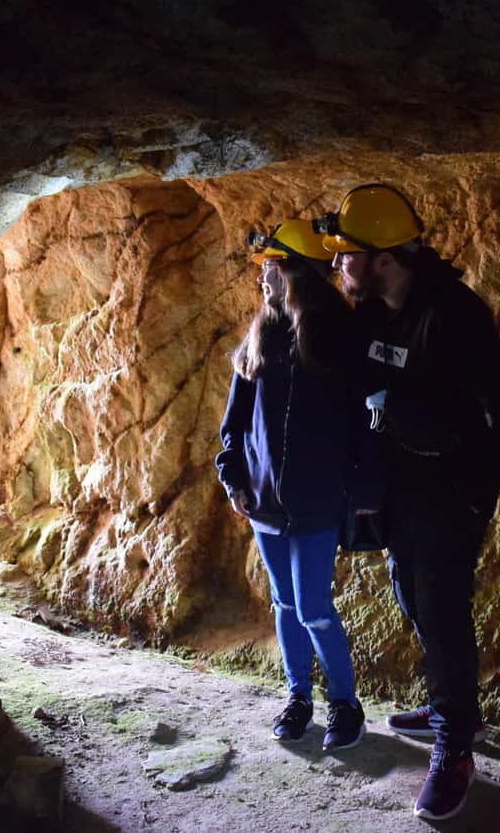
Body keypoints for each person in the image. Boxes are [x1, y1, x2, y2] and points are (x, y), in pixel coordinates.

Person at [314, 184, 500, 820]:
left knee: (441, 608)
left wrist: (473, 495)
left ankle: (455, 743)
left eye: (346, 255)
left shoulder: (453, 314)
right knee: (411, 594)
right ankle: (448, 704)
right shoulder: (379, 313)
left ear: (382, 258)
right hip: (400, 493)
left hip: (447, 495)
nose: (337, 266)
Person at [215, 219, 367, 751]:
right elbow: (233, 424)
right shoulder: (260, 337)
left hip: (318, 503)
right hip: (265, 505)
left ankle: (346, 705)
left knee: (313, 608)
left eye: (273, 268)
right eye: (262, 268)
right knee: (284, 605)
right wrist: (233, 475)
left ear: (298, 273)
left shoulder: (338, 339)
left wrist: (352, 490)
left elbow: (358, 424)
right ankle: (298, 697)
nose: (263, 278)